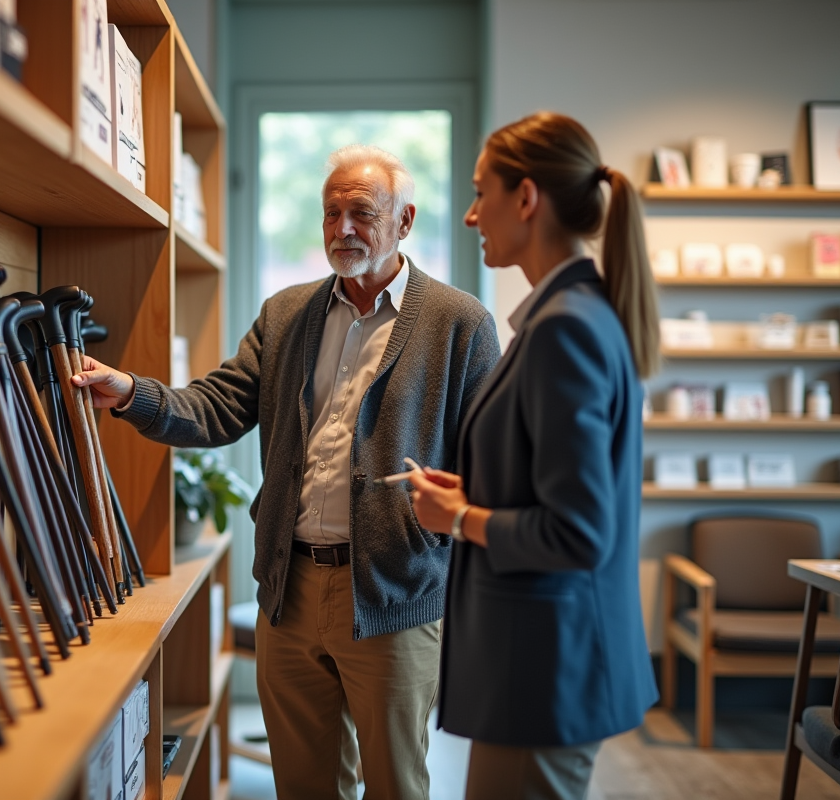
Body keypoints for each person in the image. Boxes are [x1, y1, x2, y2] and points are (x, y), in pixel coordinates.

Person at [72, 144, 500, 799]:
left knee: (397, 787)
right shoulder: (286, 313)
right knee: (302, 785)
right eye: (332, 214)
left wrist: (435, 528)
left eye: (362, 212)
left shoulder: (459, 322)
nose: (343, 229)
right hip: (288, 591)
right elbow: (216, 407)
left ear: (405, 221)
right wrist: (133, 392)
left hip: (393, 597)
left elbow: (490, 462)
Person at [409, 112, 660, 800]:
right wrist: (478, 489)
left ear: (526, 198)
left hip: (544, 671)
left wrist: (461, 518)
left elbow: (577, 531)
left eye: (479, 191)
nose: (468, 215)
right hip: (545, 665)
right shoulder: (574, 316)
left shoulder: (565, 330)